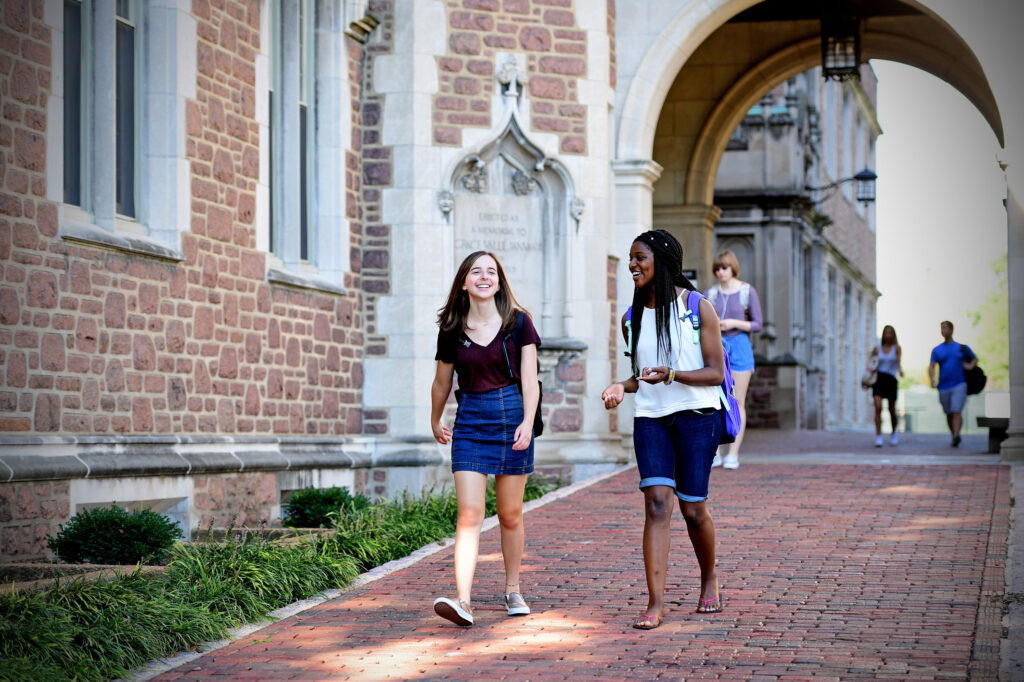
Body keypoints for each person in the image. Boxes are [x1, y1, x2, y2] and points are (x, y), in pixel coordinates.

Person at [601, 229, 726, 629]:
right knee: (657, 503)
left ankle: (709, 577)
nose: (633, 265)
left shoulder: (697, 307)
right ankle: (656, 602)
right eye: (631, 258)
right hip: (651, 418)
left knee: (692, 509)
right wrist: (622, 385)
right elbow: (643, 376)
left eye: (640, 258)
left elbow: (716, 373)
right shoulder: (631, 318)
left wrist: (672, 373)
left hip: (697, 416)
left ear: (663, 261)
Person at [429, 251, 540, 627]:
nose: (484, 276)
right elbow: (443, 381)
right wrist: (435, 417)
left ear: (499, 281)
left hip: (512, 419)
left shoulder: (519, 323)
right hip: (471, 424)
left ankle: (512, 589)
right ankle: (463, 600)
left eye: (491, 271)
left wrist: (527, 420)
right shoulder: (452, 330)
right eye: (476, 271)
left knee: (510, 515)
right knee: (469, 514)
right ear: (464, 282)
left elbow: (530, 379)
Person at [705, 250, 762, 469]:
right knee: (713, 400)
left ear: (733, 268)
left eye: (725, 267)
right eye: (717, 268)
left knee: (737, 401)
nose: (721, 272)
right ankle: (715, 452)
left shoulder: (747, 291)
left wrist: (734, 323)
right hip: (716, 346)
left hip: (739, 347)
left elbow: (758, 324)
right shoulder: (710, 293)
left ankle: (733, 454)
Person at [928, 320, 977, 448]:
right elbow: (932, 366)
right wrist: (932, 379)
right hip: (943, 386)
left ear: (951, 330)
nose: (943, 330)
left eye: (946, 328)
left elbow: (974, 358)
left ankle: (956, 434)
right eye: (942, 328)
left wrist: (970, 366)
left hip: (959, 384)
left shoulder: (961, 348)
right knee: (949, 413)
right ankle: (953, 434)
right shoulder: (937, 350)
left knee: (956, 410)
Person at [869, 325, 904, 447]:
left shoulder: (897, 348)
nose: (888, 335)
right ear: (883, 335)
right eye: (886, 332)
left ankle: (894, 433)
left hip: (891, 379)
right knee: (878, 407)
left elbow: (899, 363)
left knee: (891, 410)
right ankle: (878, 436)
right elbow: (871, 363)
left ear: (893, 335)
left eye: (890, 333)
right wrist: (868, 375)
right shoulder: (877, 349)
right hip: (879, 379)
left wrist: (900, 371)